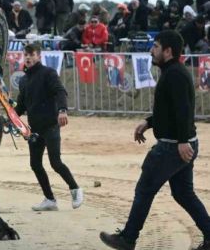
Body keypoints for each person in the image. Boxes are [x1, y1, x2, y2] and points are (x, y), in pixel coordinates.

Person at [100, 31, 210, 250]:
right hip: (180, 142)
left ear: (168, 51)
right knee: (183, 193)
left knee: (145, 189)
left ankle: (128, 239)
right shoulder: (172, 72)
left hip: (173, 146)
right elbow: (169, 110)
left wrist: (181, 141)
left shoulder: (175, 75)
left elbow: (184, 110)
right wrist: (149, 122)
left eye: (156, 46)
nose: (152, 50)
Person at [14, 43, 83, 211]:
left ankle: (75, 189)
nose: (28, 57)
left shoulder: (48, 73)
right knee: (35, 164)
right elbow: (21, 106)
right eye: (26, 54)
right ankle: (50, 200)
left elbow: (60, 91)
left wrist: (62, 110)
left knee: (55, 162)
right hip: (34, 129)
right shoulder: (24, 80)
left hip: (51, 125)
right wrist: (9, 116)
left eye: (32, 54)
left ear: (39, 56)